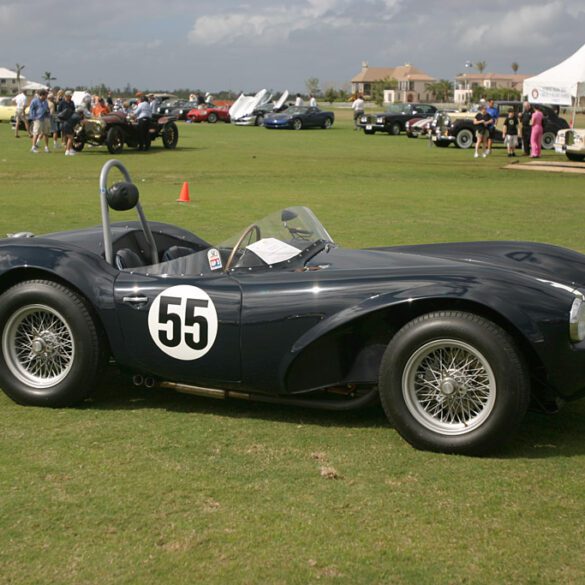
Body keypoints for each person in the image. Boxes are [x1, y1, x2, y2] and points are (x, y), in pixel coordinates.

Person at [57, 91, 77, 156]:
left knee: (71, 135)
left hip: (71, 121)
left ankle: (70, 148)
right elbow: (59, 112)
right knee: (67, 136)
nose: (71, 97)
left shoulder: (72, 102)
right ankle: (67, 150)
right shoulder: (62, 103)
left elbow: (73, 111)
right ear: (66, 96)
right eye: (70, 96)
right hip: (64, 121)